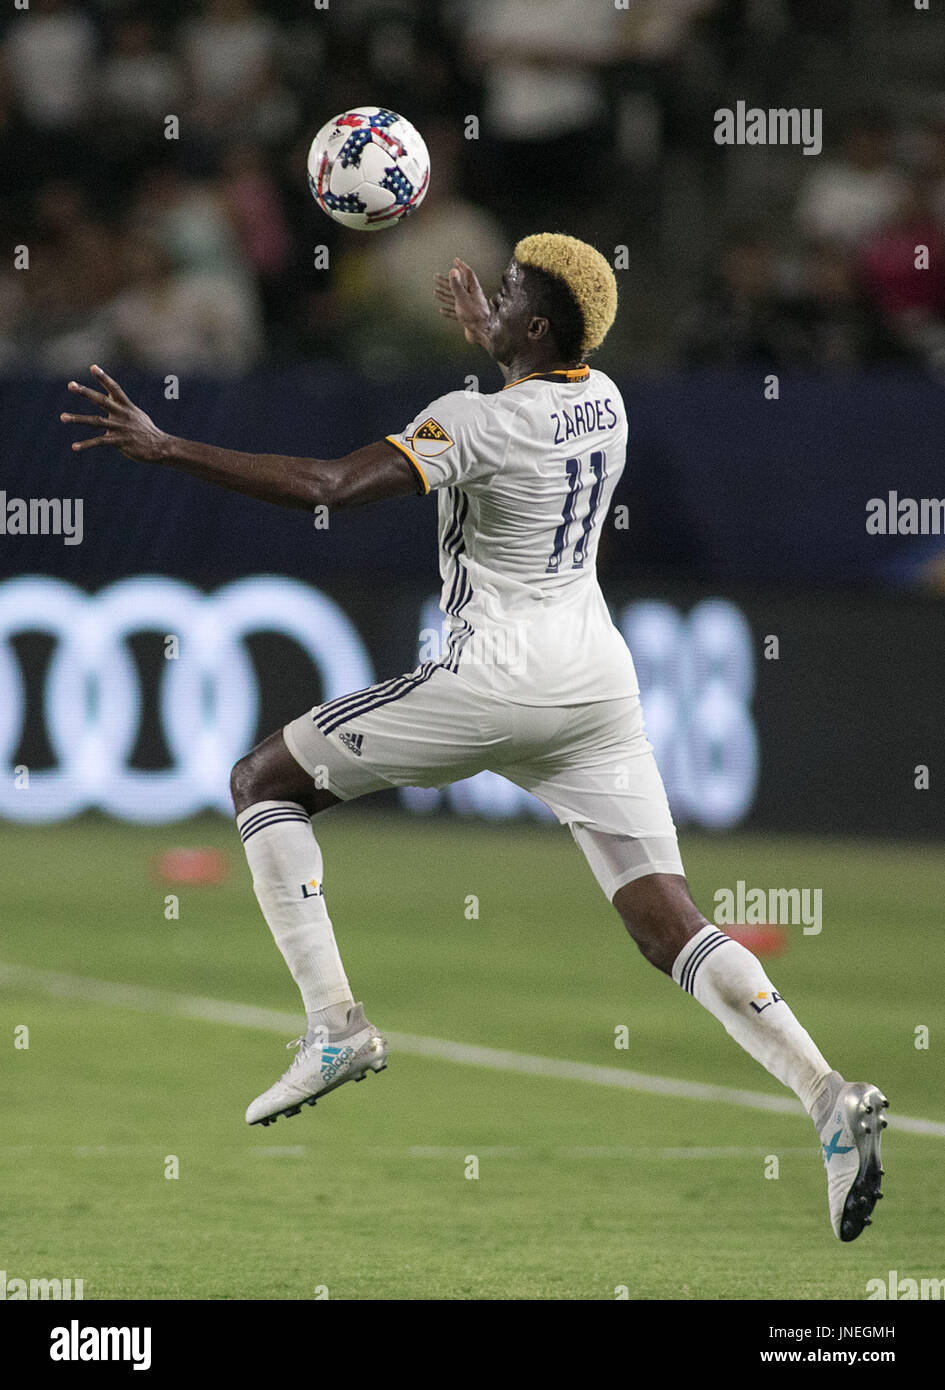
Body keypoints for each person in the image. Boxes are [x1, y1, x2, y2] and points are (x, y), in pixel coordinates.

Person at [60, 232, 887, 1242]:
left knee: (262, 779)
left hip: (497, 676)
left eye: (504, 294)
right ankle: (828, 1098)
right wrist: (491, 340)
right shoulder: (609, 399)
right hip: (595, 684)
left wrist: (170, 446)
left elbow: (328, 485)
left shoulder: (471, 419)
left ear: (534, 327)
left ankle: (337, 1026)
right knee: (666, 920)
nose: (484, 297)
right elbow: (533, 405)